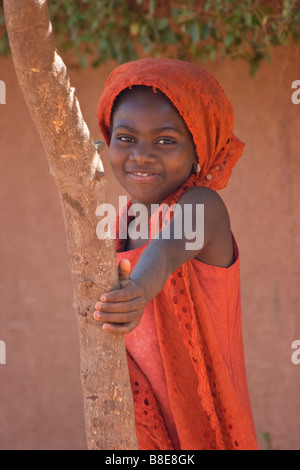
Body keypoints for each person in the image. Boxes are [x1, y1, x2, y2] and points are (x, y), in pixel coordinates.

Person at [93, 58, 258, 450]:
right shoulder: (117, 227)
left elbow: (165, 253)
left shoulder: (203, 206)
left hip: (210, 430)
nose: (142, 155)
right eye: (126, 138)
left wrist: (136, 289)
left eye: (166, 140)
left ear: (198, 147)